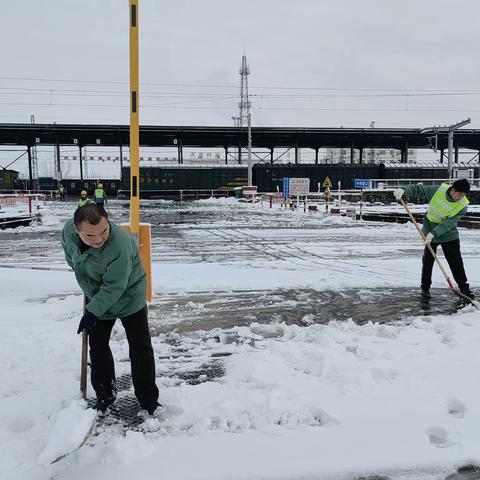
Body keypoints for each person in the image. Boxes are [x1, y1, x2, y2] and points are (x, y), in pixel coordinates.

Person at [61, 203, 161, 415]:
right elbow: (73, 258)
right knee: (97, 347)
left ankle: (148, 400)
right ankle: (105, 395)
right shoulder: (68, 233)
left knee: (140, 348)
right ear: (77, 230)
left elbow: (115, 287)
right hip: (96, 295)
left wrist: (93, 311)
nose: (98, 239)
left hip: (129, 297)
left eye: (103, 231)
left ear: (108, 221)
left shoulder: (120, 245)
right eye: (89, 236)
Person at [393, 179, 474, 300]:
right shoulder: (438, 191)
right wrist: (404, 190)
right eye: (459, 194)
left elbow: (448, 224)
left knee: (456, 262)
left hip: (448, 235)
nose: (461, 197)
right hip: (429, 229)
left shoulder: (463, 206)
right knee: (428, 261)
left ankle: (464, 289)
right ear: (453, 190)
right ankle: (425, 288)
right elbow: (419, 189)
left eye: (464, 195)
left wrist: (434, 234)